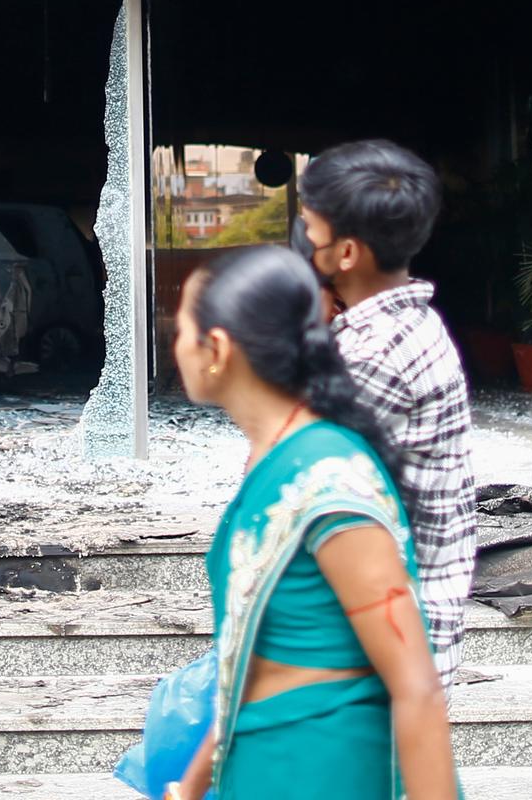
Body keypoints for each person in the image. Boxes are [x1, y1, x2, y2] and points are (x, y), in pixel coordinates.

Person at [172, 247, 457, 800]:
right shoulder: (274, 458)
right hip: (260, 765)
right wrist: (191, 787)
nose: (175, 343)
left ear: (217, 349)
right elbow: (247, 663)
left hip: (324, 767)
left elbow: (416, 687)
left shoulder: (329, 477)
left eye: (182, 327)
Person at [298, 140, 475, 690]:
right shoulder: (406, 326)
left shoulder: (371, 356)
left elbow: (300, 480)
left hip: (372, 652)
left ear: (345, 254)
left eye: (310, 227)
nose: (303, 240)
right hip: (394, 633)